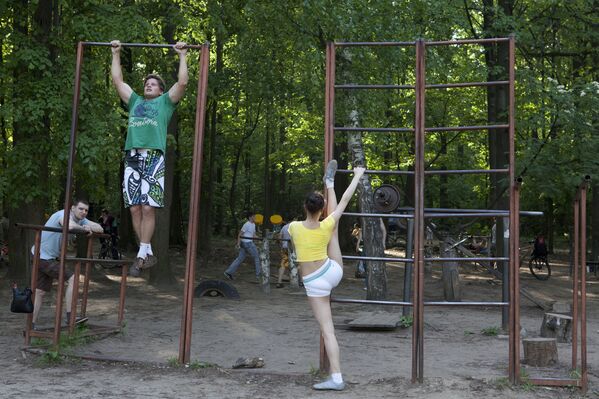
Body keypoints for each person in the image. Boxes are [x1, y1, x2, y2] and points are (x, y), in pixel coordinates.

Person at [111, 39, 188, 277]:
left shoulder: (165, 103)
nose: (149, 86)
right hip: (132, 155)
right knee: (134, 208)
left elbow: (183, 82)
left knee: (147, 206)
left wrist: (183, 55)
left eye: (154, 84)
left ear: (161, 90)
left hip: (154, 157)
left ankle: (143, 253)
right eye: (147, 83)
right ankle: (145, 250)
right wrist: (116, 53)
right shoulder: (134, 101)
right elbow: (118, 81)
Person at [288, 160, 366, 391]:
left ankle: (337, 378)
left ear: (305, 207)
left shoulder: (293, 227)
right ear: (321, 209)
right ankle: (330, 184)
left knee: (328, 330)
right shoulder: (325, 223)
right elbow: (344, 201)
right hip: (333, 272)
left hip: (315, 283)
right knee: (332, 229)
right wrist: (357, 175)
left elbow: (301, 230)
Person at [31, 200, 103, 329]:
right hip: (42, 256)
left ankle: (31, 324)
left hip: (46, 257)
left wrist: (88, 227)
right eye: (81, 209)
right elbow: (68, 226)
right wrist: (84, 229)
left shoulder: (81, 220)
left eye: (86, 210)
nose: (84, 212)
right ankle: (71, 317)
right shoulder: (63, 215)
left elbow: (99, 228)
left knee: (39, 292)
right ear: (72, 208)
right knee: (73, 279)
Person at [224, 211, 261, 280]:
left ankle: (228, 272)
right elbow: (240, 234)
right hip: (247, 243)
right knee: (257, 257)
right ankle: (259, 275)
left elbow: (253, 235)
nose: (255, 217)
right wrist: (238, 244)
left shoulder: (253, 224)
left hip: (247, 243)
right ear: (250, 217)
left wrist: (260, 239)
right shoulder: (246, 224)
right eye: (254, 216)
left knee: (240, 258)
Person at [276, 220, 291, 288]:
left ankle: (279, 282)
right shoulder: (296, 226)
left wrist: (282, 245)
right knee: (298, 264)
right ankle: (300, 282)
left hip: (284, 247)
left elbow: (279, 237)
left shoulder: (284, 227)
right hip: (292, 248)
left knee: (283, 264)